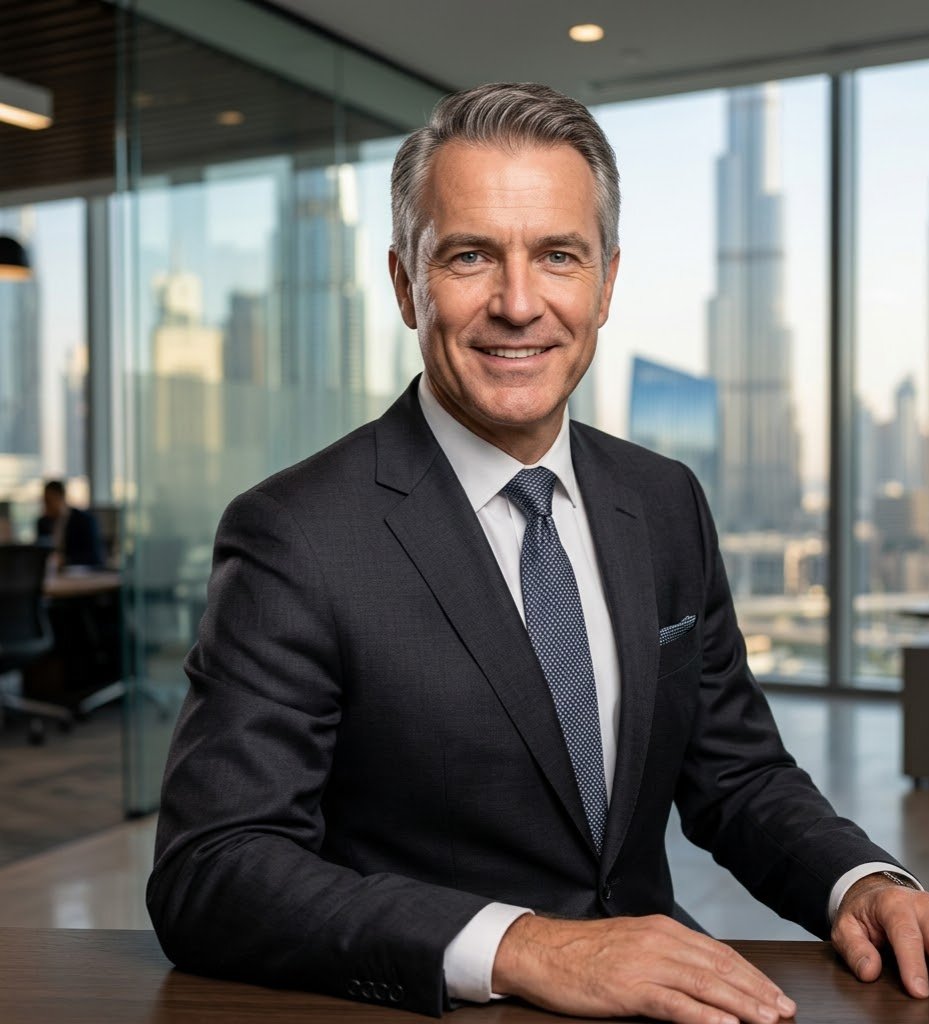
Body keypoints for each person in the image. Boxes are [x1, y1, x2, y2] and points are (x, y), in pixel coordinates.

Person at [148, 83, 929, 1023]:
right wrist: (521, 947)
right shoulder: (297, 534)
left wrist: (859, 880)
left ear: (604, 282)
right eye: (470, 256)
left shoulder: (662, 498)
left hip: (657, 1004)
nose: (519, 305)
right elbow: (213, 869)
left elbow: (736, 771)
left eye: (557, 256)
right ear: (405, 283)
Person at [36, 479, 104, 569]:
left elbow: (94, 557)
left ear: (61, 498)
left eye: (49, 501)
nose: (45, 506)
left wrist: (65, 561)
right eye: (44, 501)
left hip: (80, 576)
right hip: (53, 575)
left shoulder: (84, 521)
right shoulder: (43, 522)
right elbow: (40, 552)